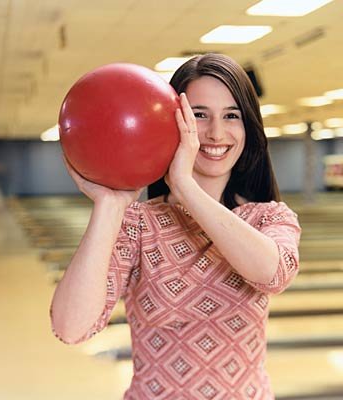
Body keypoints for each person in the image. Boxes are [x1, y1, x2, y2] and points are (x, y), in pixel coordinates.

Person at [50, 53, 301, 399]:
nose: (216, 132)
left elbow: (273, 274)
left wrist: (185, 187)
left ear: (249, 128)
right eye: (198, 115)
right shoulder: (137, 226)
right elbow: (70, 328)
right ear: (172, 122)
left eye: (232, 116)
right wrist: (109, 207)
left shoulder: (269, 218)